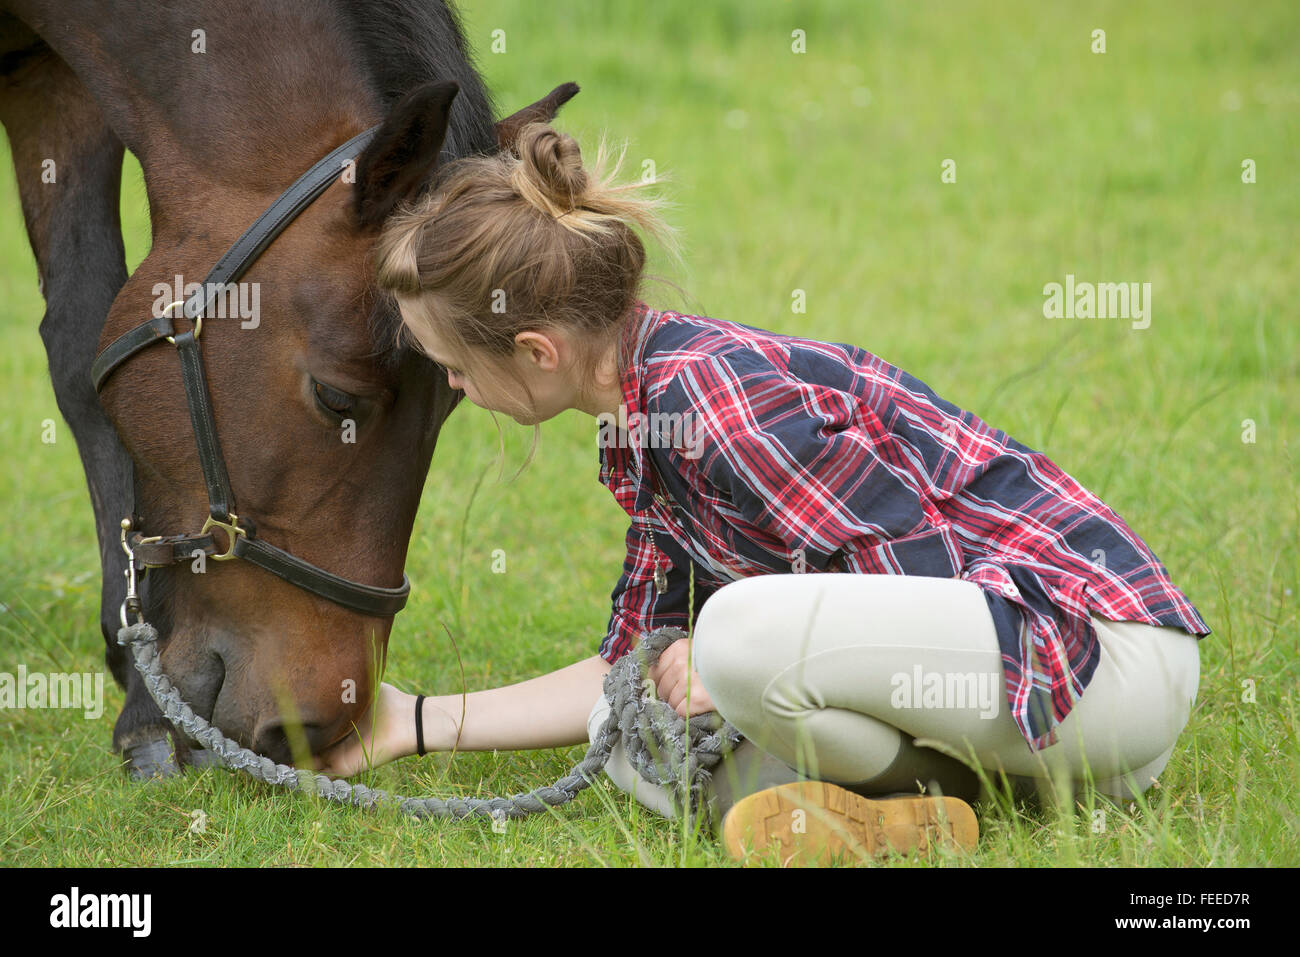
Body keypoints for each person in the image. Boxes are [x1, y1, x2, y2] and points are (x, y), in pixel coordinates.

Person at [315, 122, 1211, 865]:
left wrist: (718, 662)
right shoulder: (643, 425)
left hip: (1098, 665)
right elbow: (625, 667)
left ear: (536, 353)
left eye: (454, 367)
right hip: (1034, 737)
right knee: (630, 730)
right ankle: (929, 812)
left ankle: (913, 784)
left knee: (734, 639)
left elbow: (930, 583)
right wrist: (415, 722)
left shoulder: (710, 401)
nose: (458, 391)